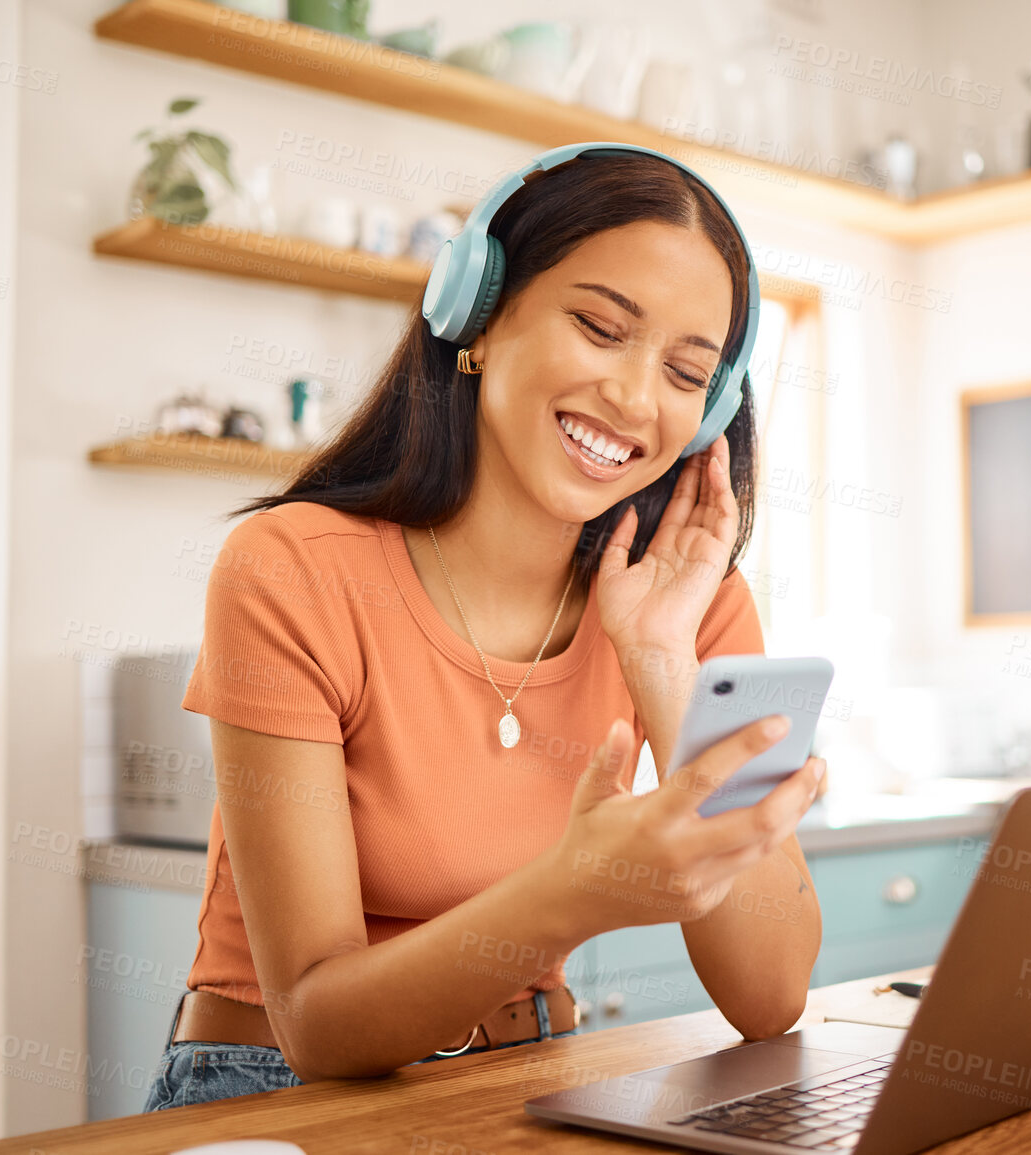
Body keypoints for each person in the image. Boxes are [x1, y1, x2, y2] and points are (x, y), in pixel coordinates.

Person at [141, 144, 825, 1112]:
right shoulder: (292, 567)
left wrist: (664, 662)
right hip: (274, 1092)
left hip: (533, 1078)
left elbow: (771, 995)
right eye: (599, 326)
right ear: (478, 315)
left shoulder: (690, 599)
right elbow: (319, 1024)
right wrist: (580, 889)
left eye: (685, 372)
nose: (635, 399)